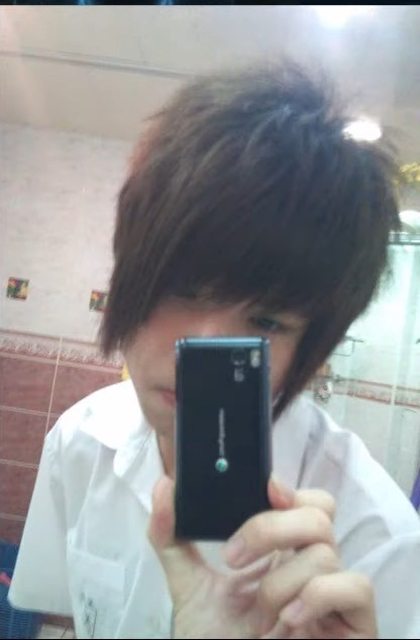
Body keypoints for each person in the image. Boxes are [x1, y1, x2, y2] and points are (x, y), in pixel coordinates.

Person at [8, 60, 420, 639]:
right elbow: (67, 621)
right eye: (181, 289)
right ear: (130, 271)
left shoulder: (377, 540)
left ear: (310, 349)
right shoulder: (80, 441)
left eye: (267, 320)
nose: (204, 345)